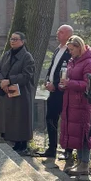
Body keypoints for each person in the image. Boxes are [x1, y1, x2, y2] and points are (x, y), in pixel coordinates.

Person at [59, 35, 91, 177]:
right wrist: (63, 84)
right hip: (71, 101)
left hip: (82, 103)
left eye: (71, 49)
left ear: (78, 47)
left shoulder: (89, 62)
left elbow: (90, 83)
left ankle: (85, 163)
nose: (70, 52)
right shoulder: (72, 61)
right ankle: (80, 161)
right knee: (76, 133)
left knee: (83, 132)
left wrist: (70, 83)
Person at [0, 31, 36, 153]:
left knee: (20, 119)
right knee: (9, 118)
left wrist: (10, 80)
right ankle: (12, 142)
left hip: (21, 93)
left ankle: (22, 145)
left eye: (16, 39)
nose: (12, 41)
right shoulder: (7, 54)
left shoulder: (27, 57)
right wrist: (2, 81)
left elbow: (27, 75)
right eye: (11, 39)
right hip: (6, 92)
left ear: (22, 41)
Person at [40, 24, 73, 160]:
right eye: (58, 31)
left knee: (66, 120)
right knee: (50, 118)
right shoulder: (57, 49)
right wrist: (48, 81)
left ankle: (68, 150)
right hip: (52, 91)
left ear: (69, 35)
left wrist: (56, 84)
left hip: (63, 92)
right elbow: (53, 68)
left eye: (61, 32)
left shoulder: (70, 51)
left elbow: (68, 71)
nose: (57, 33)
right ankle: (51, 147)